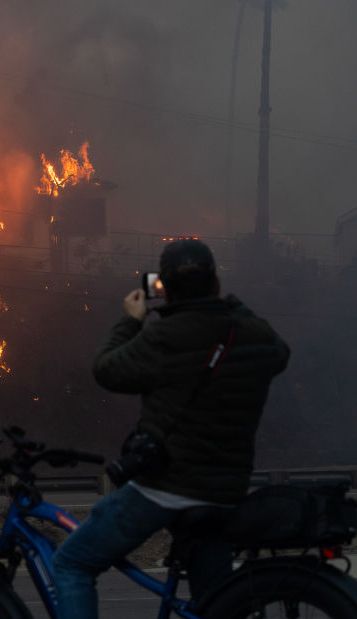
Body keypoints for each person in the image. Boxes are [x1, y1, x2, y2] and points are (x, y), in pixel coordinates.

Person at [51, 239, 290, 618]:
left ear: (165, 287)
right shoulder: (252, 335)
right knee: (214, 606)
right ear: (215, 282)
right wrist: (227, 302)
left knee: (71, 564)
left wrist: (131, 319)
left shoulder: (165, 336)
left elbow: (106, 369)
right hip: (226, 490)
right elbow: (280, 351)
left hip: (168, 488)